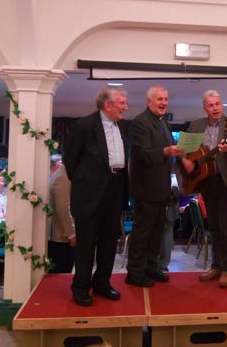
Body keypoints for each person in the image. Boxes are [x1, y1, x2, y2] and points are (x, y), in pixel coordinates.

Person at [64, 86, 129, 306]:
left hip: (115, 187)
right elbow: (70, 163)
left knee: (109, 241)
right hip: (89, 193)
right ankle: (80, 287)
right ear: (108, 105)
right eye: (122, 103)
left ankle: (102, 283)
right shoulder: (84, 126)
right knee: (86, 244)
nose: (126, 107)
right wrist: (87, 183)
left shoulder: (122, 126)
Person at [180, 90, 227, 288]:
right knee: (214, 225)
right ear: (205, 108)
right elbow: (184, 149)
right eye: (210, 105)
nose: (215, 108)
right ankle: (216, 266)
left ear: (222, 104)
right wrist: (186, 162)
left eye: (217, 104)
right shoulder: (196, 125)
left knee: (226, 226)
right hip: (205, 181)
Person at [126, 85, 185, 288]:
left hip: (161, 188)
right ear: (149, 101)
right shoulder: (140, 122)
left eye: (166, 99)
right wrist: (166, 151)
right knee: (143, 233)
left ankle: (151, 267)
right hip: (146, 188)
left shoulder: (163, 122)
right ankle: (135, 272)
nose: (163, 103)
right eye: (159, 99)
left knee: (157, 233)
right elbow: (143, 154)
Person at [47, 154, 75, 274]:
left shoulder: (61, 174)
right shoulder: (62, 176)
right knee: (61, 271)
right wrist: (71, 233)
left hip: (60, 234)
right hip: (61, 236)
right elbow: (63, 207)